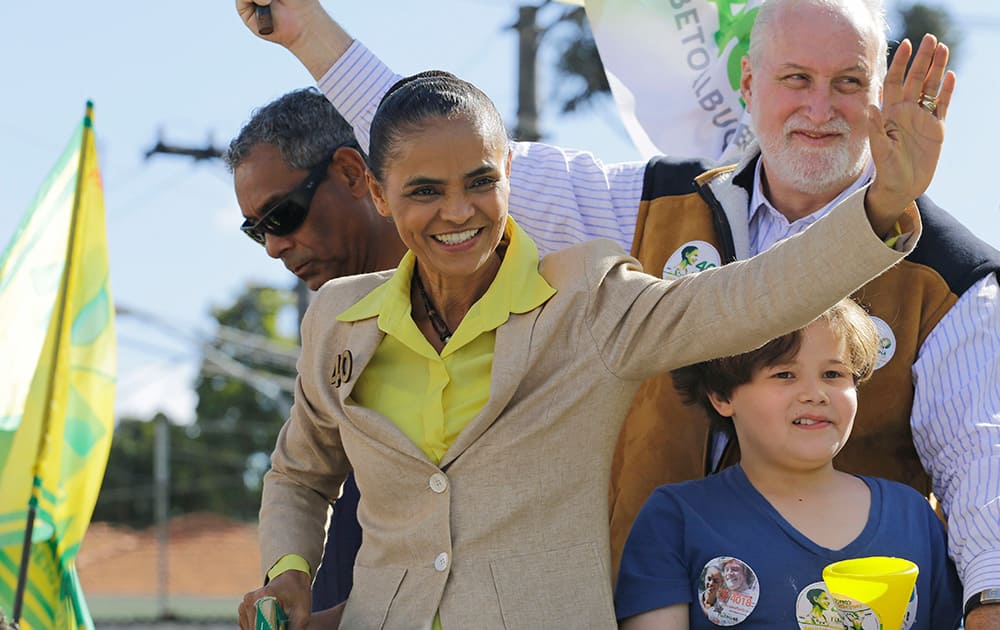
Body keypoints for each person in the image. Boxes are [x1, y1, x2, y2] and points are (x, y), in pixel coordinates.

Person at [234, 2, 1000, 626]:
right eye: (796, 77)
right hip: (639, 608)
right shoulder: (645, 205)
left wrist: (885, 209)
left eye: (848, 82)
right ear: (747, 80)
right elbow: (432, 141)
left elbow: (984, 488)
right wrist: (306, 29)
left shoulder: (956, 277)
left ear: (879, 97)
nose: (819, 107)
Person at [615, 299, 963, 629]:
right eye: (784, 375)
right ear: (722, 396)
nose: (815, 393)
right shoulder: (676, 519)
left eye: (833, 374)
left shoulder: (913, 515)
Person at [225, 87, 408, 610]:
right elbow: (299, 476)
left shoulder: (486, 294)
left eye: (281, 216)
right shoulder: (330, 323)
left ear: (352, 174)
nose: (275, 247)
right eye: (255, 232)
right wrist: (287, 573)